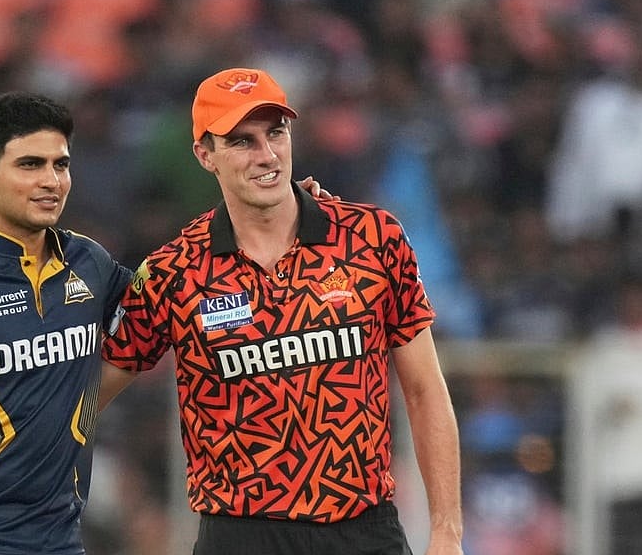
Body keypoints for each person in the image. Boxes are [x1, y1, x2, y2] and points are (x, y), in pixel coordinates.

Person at [0, 91, 333, 555]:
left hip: (61, 540)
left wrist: (284, 212)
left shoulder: (89, 263)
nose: (51, 181)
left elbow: (183, 287)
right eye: (30, 165)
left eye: (60, 165)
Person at [99, 67, 464, 555]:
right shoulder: (174, 271)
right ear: (205, 155)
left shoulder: (372, 239)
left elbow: (424, 390)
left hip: (363, 530)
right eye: (241, 141)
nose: (267, 154)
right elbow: (84, 397)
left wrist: (447, 531)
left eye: (276, 132)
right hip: (239, 537)